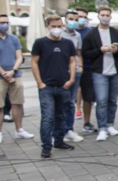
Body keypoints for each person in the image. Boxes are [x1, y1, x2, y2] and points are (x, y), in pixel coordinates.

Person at [31, 15, 77, 158]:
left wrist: (71, 79)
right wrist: (40, 83)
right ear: (48, 26)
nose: (57, 29)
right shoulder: (40, 43)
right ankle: (46, 146)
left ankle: (59, 140)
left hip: (63, 85)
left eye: (59, 26)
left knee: (61, 115)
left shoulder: (68, 44)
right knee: (48, 117)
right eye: (54, 26)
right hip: (47, 87)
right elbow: (34, 62)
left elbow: (72, 62)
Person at [82, 6, 118, 141]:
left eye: (107, 15)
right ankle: (101, 128)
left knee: (112, 100)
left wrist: (116, 51)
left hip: (115, 71)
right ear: (98, 16)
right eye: (103, 15)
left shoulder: (116, 33)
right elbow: (85, 53)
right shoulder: (92, 34)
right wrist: (100, 50)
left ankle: (110, 125)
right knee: (101, 100)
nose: (105, 17)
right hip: (99, 72)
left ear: (111, 17)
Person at [0, 14, 35, 143]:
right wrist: (5, 74)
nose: (5, 25)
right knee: (0, 106)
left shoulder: (14, 39)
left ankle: (19, 130)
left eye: (6, 22)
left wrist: (13, 71)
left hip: (16, 75)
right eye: (2, 22)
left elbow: (19, 57)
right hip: (1, 77)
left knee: (18, 103)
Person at [61, 11, 85, 142]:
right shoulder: (60, 33)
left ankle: (68, 129)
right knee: (61, 103)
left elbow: (78, 53)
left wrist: (80, 67)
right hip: (61, 72)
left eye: (76, 19)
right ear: (65, 20)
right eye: (71, 19)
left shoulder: (77, 35)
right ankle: (59, 131)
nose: (74, 21)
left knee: (71, 102)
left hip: (75, 71)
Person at [75, 8, 96, 133]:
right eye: (78, 17)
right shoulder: (67, 33)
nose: (80, 19)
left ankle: (86, 122)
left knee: (88, 97)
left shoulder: (90, 32)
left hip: (88, 68)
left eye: (83, 16)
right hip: (70, 70)